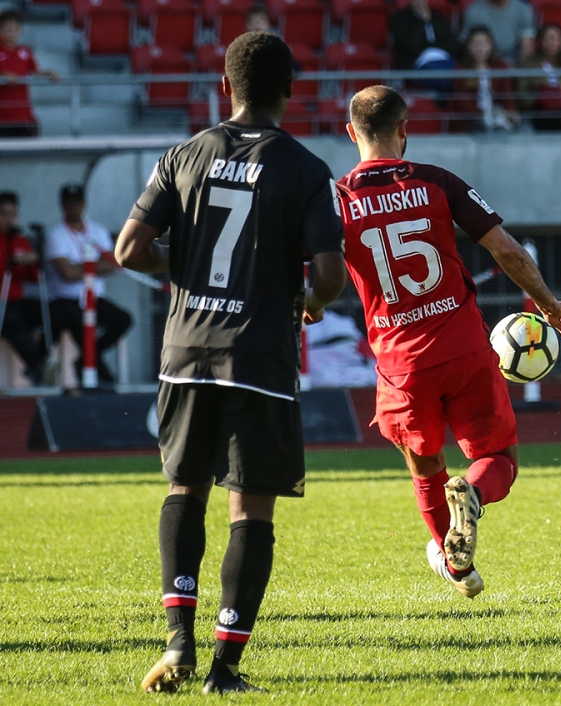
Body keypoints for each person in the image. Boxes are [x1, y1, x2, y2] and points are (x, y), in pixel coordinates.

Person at [115, 31, 347, 693]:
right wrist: (309, 299)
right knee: (251, 509)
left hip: (185, 350)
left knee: (183, 489)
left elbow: (130, 249)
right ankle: (224, 668)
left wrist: (181, 269)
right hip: (257, 353)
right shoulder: (305, 169)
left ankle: (177, 641)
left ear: (226, 86)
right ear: (290, 91)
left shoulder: (185, 154)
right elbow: (328, 274)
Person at [337, 85, 561, 598]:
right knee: (500, 459)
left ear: (351, 133)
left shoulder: (339, 200)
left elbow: (313, 274)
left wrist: (308, 307)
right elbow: (508, 252)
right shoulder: (435, 181)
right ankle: (472, 490)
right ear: (404, 130)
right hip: (466, 347)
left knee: (425, 467)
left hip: (401, 364)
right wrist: (550, 303)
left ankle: (459, 569)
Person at [46, 183, 132, 385]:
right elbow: (67, 273)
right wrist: (94, 265)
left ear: (84, 204)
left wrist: (80, 266)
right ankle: (104, 379)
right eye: (69, 203)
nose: (74, 207)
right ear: (62, 206)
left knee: (123, 320)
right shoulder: (56, 235)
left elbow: (113, 264)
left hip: (94, 297)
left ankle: (87, 363)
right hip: (65, 299)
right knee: (79, 326)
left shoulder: (98, 231)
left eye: (78, 203)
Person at [0, 191, 47, 384]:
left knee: (53, 314)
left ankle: (43, 361)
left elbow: (35, 279)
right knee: (13, 321)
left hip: (17, 298)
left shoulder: (20, 240)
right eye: (3, 214)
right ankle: (38, 365)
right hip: (2, 303)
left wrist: (34, 262)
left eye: (12, 214)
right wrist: (9, 262)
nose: (9, 219)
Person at [0, 10, 59, 137]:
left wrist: (49, 73)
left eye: (13, 29)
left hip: (23, 116)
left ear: (19, 30)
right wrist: (3, 77)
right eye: (6, 29)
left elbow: (35, 71)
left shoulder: (25, 51)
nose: (10, 33)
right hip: (2, 117)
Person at [450, 25, 520, 132]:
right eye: (475, 44)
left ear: (491, 46)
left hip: (499, 116)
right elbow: (463, 103)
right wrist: (486, 113)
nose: (480, 48)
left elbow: (508, 95)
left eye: (484, 44)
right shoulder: (461, 68)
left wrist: (510, 112)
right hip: (472, 120)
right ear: (468, 47)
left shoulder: (500, 65)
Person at [517, 23, 561, 131]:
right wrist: (543, 96)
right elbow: (522, 95)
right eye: (549, 38)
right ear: (540, 41)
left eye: (556, 38)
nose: (552, 42)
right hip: (538, 110)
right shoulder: (528, 64)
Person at [460, 0, 535, 67]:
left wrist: (520, 71)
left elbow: (526, 47)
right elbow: (467, 44)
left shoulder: (523, 9)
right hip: (482, 63)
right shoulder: (474, 10)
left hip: (513, 64)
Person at [390, 0, 460, 71]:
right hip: (418, 61)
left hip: (444, 57)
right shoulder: (401, 19)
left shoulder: (438, 18)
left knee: (460, 70)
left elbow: (451, 42)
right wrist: (423, 21)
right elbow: (408, 45)